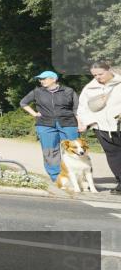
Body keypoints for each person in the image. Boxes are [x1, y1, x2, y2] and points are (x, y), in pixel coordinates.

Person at [20, 70, 79, 183]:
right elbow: (23, 103)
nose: (41, 81)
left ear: (54, 79)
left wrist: (81, 123)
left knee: (74, 149)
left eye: (44, 78)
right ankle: (56, 177)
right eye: (40, 79)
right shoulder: (37, 92)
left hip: (68, 123)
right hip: (45, 124)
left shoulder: (68, 91)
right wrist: (34, 114)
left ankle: (76, 176)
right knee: (50, 151)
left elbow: (77, 108)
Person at [77, 60, 121, 195]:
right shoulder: (90, 88)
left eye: (100, 74)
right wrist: (82, 122)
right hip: (101, 126)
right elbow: (82, 107)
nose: (97, 77)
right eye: (94, 75)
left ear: (109, 70)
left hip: (118, 124)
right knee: (113, 155)